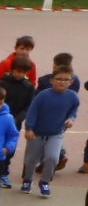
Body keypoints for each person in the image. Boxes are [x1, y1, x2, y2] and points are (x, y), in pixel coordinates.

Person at [23, 67, 78, 195]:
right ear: (52, 80)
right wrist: (29, 128)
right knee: (31, 160)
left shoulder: (72, 97)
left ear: (71, 82)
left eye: (66, 79)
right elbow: (32, 112)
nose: (62, 82)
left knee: (52, 158)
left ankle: (45, 182)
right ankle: (27, 180)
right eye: (58, 79)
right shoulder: (43, 95)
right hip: (37, 133)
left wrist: (71, 118)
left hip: (56, 134)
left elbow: (73, 110)